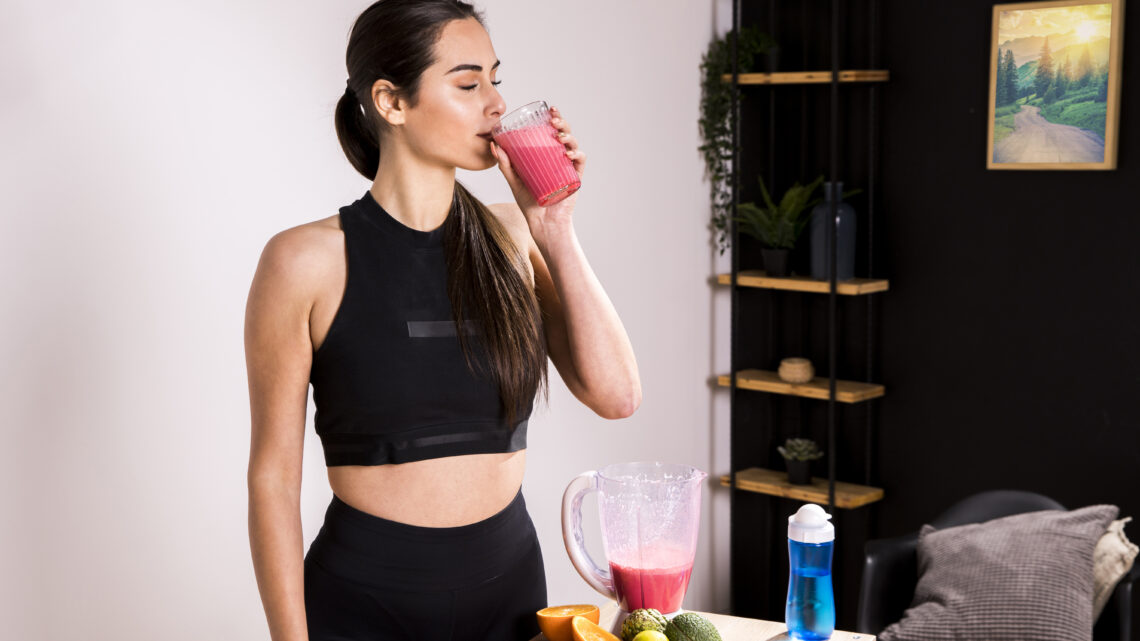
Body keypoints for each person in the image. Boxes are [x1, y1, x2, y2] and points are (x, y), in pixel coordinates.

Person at [243, 1, 641, 640]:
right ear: (391, 103)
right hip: (363, 604)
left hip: (511, 594)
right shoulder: (303, 261)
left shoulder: (515, 236)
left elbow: (618, 396)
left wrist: (554, 226)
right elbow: (272, 478)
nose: (495, 103)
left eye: (495, 77)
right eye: (467, 82)